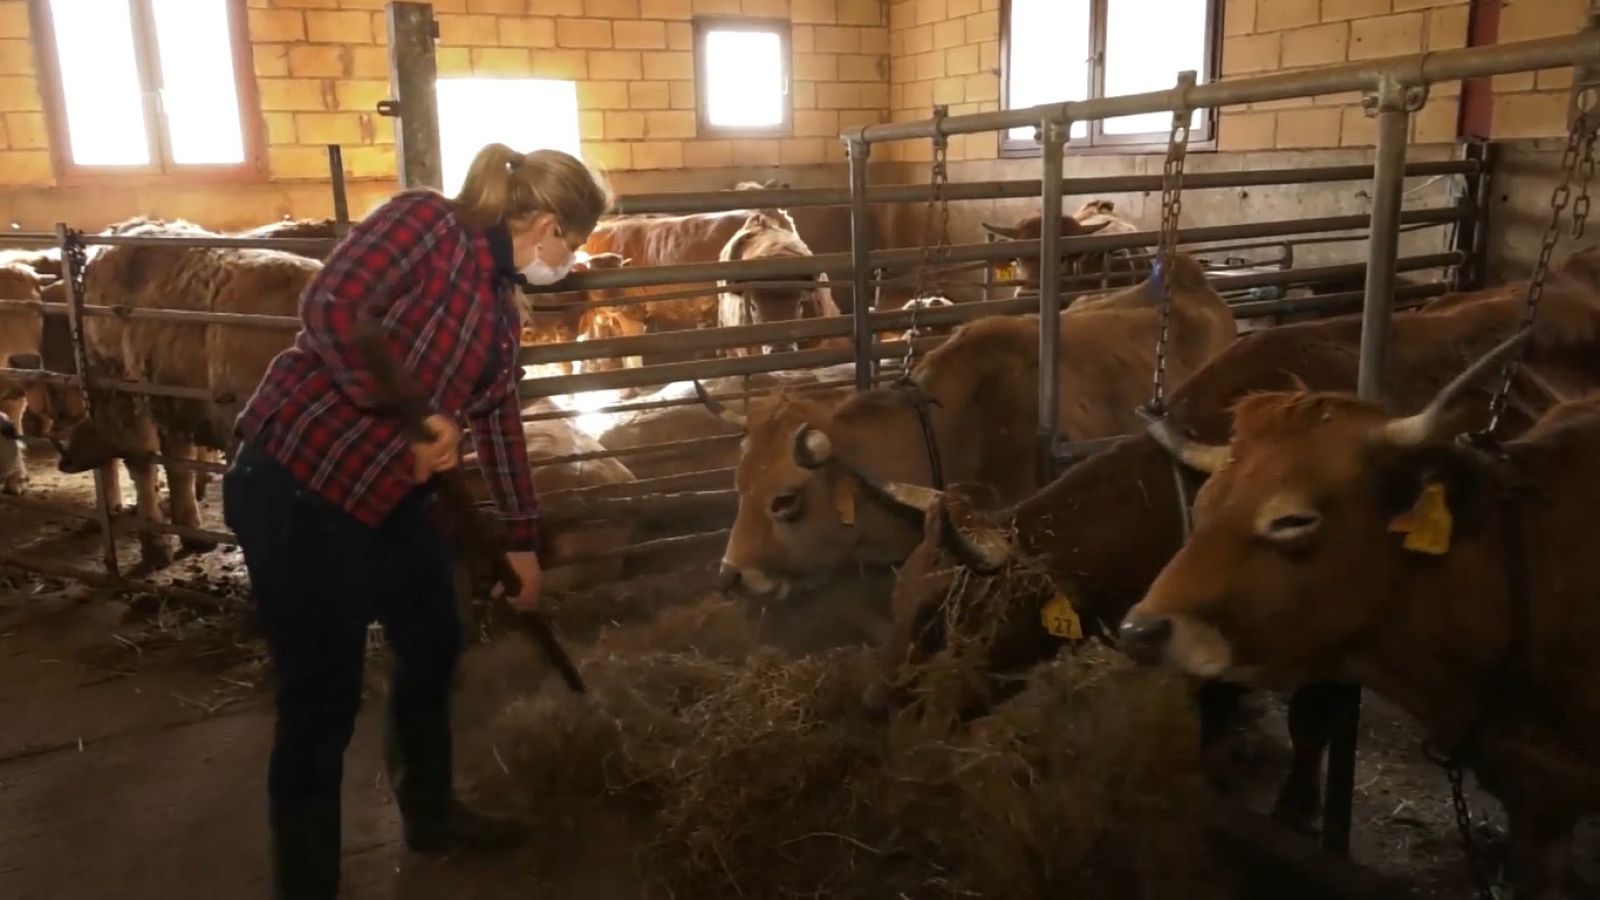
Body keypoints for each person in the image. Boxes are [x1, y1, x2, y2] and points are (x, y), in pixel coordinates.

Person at [223, 143, 611, 899]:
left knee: (435, 639)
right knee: (321, 699)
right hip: (298, 482)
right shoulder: (427, 223)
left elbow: (498, 424)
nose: (569, 259)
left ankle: (431, 816)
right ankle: (306, 886)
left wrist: (521, 541)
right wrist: (412, 410)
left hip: (390, 498)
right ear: (550, 225)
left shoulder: (501, 308)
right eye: (576, 241)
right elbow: (330, 306)